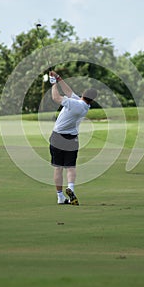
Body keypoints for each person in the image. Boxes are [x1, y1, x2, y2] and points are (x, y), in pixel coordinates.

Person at [49, 70, 97, 205]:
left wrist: (53, 84)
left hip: (58, 136)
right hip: (72, 139)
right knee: (70, 167)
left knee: (58, 167)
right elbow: (69, 92)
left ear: (83, 94)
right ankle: (70, 188)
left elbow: (56, 98)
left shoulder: (75, 104)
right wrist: (58, 78)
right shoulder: (84, 105)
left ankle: (60, 197)